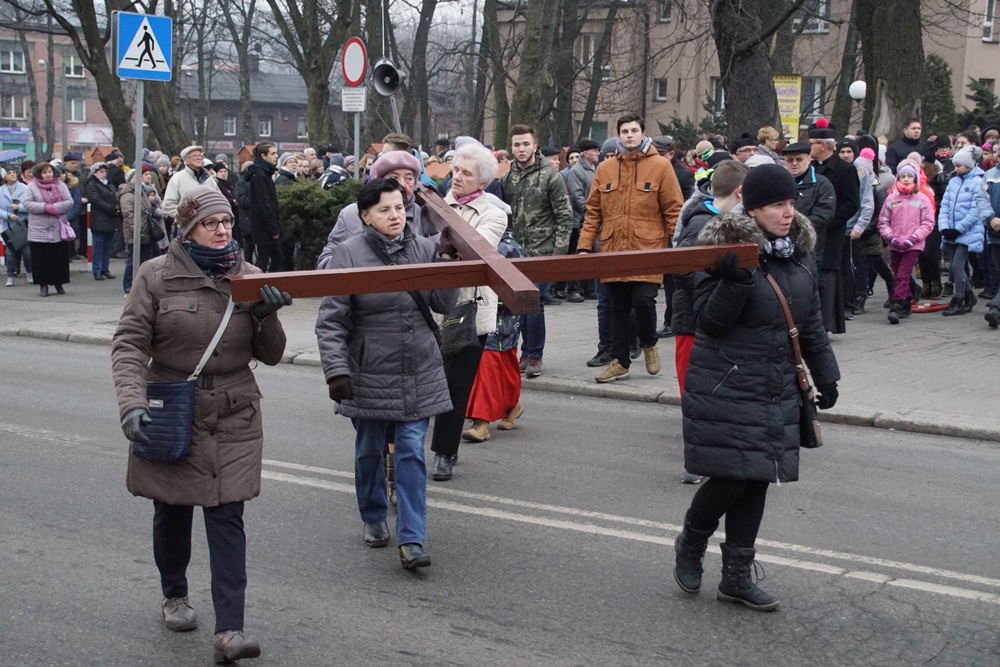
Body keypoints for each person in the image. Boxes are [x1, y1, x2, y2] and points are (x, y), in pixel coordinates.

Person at [111, 185, 289, 663]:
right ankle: (174, 593)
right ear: (187, 230)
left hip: (234, 412)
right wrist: (131, 404)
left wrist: (267, 318)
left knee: (228, 515)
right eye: (211, 223)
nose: (223, 230)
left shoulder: (249, 277)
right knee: (172, 511)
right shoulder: (155, 276)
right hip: (173, 407)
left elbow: (270, 355)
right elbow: (128, 345)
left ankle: (230, 629)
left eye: (227, 221)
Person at [672, 164, 840, 612]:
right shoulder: (722, 246)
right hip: (728, 379)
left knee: (759, 478)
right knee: (729, 477)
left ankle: (737, 576)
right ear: (753, 207)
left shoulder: (798, 251)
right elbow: (709, 321)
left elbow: (809, 323)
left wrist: (827, 374)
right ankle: (691, 540)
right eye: (777, 205)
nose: (788, 212)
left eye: (791, 203)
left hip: (776, 382)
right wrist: (735, 281)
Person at [315, 178, 458, 570]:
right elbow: (331, 321)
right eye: (384, 210)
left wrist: (448, 264)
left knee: (412, 451)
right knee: (368, 451)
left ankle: (412, 538)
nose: (395, 216)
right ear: (365, 216)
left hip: (419, 367)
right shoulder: (348, 254)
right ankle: (374, 514)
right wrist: (336, 370)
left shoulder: (423, 247)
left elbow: (443, 303)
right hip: (369, 370)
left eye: (399, 208)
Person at [577, 113, 683, 383]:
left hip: (648, 248)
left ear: (643, 133)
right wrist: (584, 247)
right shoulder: (605, 168)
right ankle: (620, 361)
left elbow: (674, 209)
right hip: (613, 248)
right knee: (618, 307)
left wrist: (680, 245)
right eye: (624, 131)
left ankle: (649, 344)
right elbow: (593, 212)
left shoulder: (660, 165)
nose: (629, 135)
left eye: (634, 130)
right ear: (619, 135)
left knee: (644, 301)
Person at [427, 143, 507, 481]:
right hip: (431, 307)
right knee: (427, 380)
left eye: (466, 174)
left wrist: (440, 235)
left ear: (483, 183)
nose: (456, 178)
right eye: (455, 170)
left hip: (469, 310)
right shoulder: (432, 205)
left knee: (456, 385)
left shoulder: (495, 213)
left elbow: (472, 251)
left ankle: (445, 451)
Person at [671, 159, 748, 484]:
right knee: (696, 395)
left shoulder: (723, 220)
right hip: (692, 322)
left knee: (713, 393)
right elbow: (685, 270)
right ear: (741, 192)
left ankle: (715, 452)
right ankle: (697, 461)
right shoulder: (701, 223)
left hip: (709, 321)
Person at [499, 124, 574, 377]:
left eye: (525, 144)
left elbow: (565, 218)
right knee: (520, 305)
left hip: (543, 251)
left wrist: (558, 256)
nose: (521, 149)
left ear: (535, 146)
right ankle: (524, 353)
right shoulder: (508, 178)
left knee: (535, 304)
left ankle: (534, 355)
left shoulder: (551, 176)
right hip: (516, 253)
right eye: (517, 145)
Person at [317, 150, 436, 267]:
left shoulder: (424, 213)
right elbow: (328, 265)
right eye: (394, 177)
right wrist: (356, 256)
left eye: (409, 178)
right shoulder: (351, 214)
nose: (402, 184)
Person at [808, 119, 860, 333]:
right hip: (809, 231)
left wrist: (829, 221)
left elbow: (852, 204)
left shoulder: (845, 170)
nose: (809, 146)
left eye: (811, 142)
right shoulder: (809, 168)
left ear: (822, 144)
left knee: (827, 277)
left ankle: (825, 324)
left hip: (831, 233)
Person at [876, 160, 935, 323]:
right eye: (903, 176)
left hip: (913, 244)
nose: (907, 179)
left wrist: (913, 238)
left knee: (902, 274)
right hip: (895, 244)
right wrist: (891, 237)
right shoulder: (892, 199)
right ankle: (908, 298)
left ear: (915, 178)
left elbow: (928, 223)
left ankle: (897, 304)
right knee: (897, 271)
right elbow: (883, 222)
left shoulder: (922, 199)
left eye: (910, 176)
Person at [939, 145, 986, 315]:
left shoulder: (978, 181)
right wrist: (944, 226)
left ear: (969, 165)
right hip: (951, 230)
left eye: (959, 165)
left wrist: (959, 229)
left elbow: (975, 210)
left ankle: (959, 298)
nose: (956, 168)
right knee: (954, 265)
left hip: (968, 232)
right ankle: (968, 295)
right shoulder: (953, 181)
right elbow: (945, 205)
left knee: (958, 265)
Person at [22, 161, 73, 297]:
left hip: (58, 226)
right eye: (44, 172)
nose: (48, 174)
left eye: (49, 171)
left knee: (58, 257)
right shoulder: (32, 187)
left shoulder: (61, 185)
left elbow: (69, 202)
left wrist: (56, 208)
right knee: (41, 258)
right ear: (39, 174)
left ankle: (58, 283)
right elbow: (27, 204)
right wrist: (45, 207)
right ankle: (43, 285)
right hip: (39, 228)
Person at [565, 138, 602, 304]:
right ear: (586, 153)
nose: (598, 153)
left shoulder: (594, 169)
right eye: (595, 150)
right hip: (582, 220)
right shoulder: (577, 171)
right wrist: (590, 211)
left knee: (592, 255)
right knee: (579, 255)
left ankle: (589, 289)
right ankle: (574, 289)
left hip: (593, 219)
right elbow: (576, 197)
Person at [239, 142, 283, 273]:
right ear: (263, 156)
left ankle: (269, 284)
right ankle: (255, 286)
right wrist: (273, 229)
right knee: (264, 260)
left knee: (276, 258)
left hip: (266, 226)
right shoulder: (259, 175)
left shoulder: (264, 173)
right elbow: (265, 203)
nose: (277, 156)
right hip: (264, 227)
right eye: (273, 153)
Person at [119, 169, 165, 295]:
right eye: (137, 176)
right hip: (137, 232)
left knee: (151, 257)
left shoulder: (141, 192)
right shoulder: (127, 195)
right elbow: (128, 215)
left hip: (147, 230)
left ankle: (147, 283)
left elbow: (149, 208)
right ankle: (128, 284)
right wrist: (136, 232)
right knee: (133, 258)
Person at [86, 161, 122, 281]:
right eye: (101, 171)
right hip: (99, 219)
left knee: (108, 246)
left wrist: (117, 208)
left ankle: (105, 268)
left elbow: (115, 197)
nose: (104, 173)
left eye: (105, 171)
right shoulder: (92, 185)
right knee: (98, 245)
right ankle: (96, 270)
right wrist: (111, 209)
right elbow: (96, 200)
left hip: (111, 219)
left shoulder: (110, 184)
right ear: (95, 173)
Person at [0, 166, 30, 286]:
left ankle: (30, 272)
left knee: (27, 251)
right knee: (10, 251)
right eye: (9, 173)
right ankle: (10, 275)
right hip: (9, 226)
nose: (12, 174)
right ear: (4, 176)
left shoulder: (25, 188)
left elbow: (30, 204)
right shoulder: (1, 190)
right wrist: (8, 215)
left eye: (14, 172)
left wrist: (19, 207)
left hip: (24, 223)